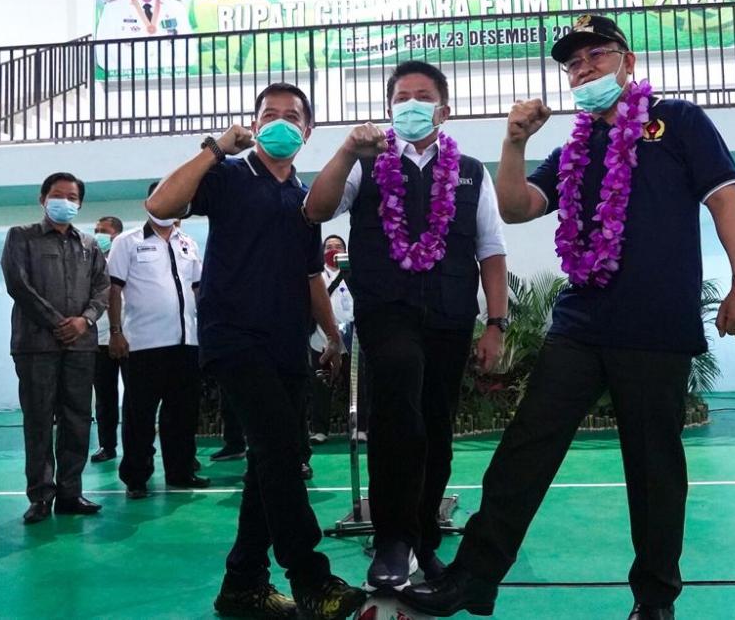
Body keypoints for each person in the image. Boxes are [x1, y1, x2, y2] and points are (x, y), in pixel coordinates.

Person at [401, 15, 735, 620]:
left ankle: (654, 599)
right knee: (523, 449)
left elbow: (725, 201)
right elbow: (517, 208)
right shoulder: (574, 149)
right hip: (580, 324)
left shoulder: (677, 121)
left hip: (657, 328)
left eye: (597, 55)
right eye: (574, 63)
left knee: (653, 470)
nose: (586, 68)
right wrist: (515, 140)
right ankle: (475, 578)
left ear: (628, 59)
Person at [146, 82, 366, 619]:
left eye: (293, 116)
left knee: (270, 462)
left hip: (288, 344)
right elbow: (159, 204)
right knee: (279, 453)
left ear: (308, 131)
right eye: (271, 114)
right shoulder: (227, 175)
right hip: (234, 338)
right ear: (254, 122)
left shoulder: (305, 198)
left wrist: (332, 337)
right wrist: (217, 146)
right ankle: (310, 577)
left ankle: (243, 585)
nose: (282, 122)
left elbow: (312, 274)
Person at [305, 60, 509, 589]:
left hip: (448, 315)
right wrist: (348, 149)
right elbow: (316, 208)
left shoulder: (472, 172)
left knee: (436, 426)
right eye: (401, 96)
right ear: (389, 107)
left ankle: (422, 540)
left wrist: (496, 324)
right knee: (400, 410)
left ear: (444, 108)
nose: (411, 104)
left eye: (422, 96)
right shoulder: (368, 162)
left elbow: (490, 250)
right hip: (386, 311)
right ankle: (393, 540)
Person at [1, 172, 110, 524]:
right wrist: (56, 322)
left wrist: (84, 320)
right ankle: (40, 496)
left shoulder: (90, 245)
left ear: (79, 204)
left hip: (81, 345)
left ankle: (70, 492)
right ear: (43, 199)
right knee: (38, 419)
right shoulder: (21, 237)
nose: (65, 202)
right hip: (36, 345)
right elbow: (18, 283)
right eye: (58, 195)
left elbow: (103, 288)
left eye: (72, 197)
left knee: (77, 418)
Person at [107, 183, 209, 498]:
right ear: (149, 204)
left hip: (186, 343)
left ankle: (180, 471)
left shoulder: (188, 243)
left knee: (182, 413)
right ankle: (137, 477)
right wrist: (115, 332)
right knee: (140, 414)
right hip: (142, 344)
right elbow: (114, 289)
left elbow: (197, 291)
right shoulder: (128, 242)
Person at [95, 0, 192, 76]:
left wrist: (162, 71)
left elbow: (189, 51)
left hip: (169, 80)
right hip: (127, 83)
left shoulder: (176, 7)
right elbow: (104, 53)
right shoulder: (113, 9)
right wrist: (139, 71)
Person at [307, 234, 356, 445]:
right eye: (328, 246)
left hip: (351, 340)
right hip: (320, 338)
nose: (333, 250)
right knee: (320, 386)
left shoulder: (353, 273)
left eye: (338, 246)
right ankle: (320, 429)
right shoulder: (317, 275)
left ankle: (359, 428)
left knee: (356, 387)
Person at [91, 216, 126, 463]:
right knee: (104, 397)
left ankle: (138, 446)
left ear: (116, 235)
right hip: (98, 340)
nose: (98, 234)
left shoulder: (126, 260)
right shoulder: (92, 263)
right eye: (96, 230)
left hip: (129, 338)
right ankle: (107, 445)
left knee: (135, 397)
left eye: (103, 231)